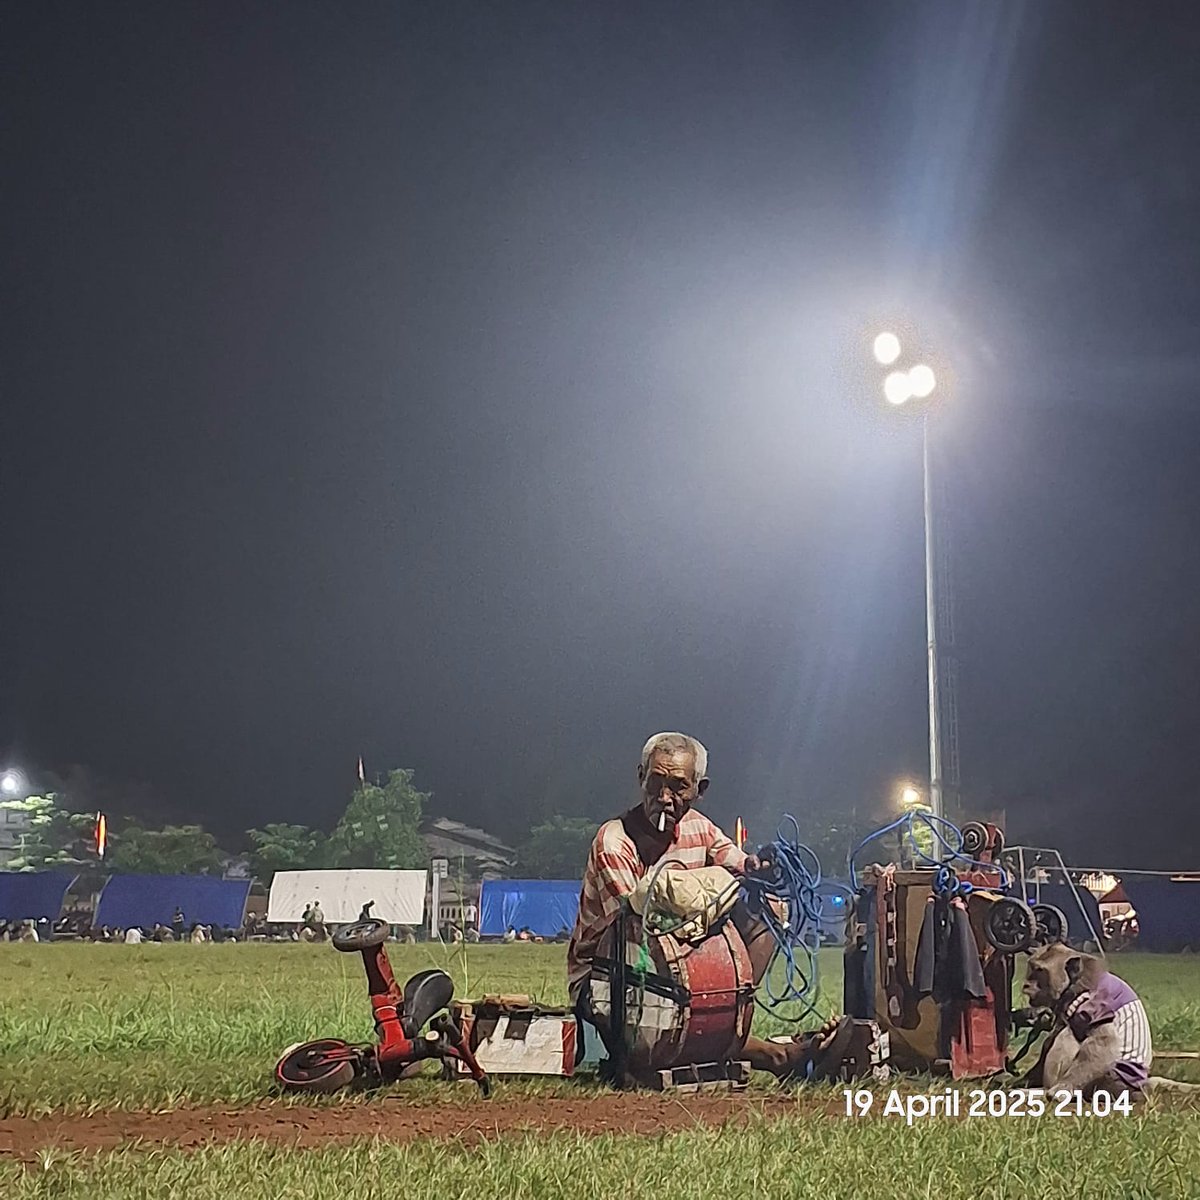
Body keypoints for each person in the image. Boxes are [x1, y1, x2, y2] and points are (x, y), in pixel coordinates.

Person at [567, 731, 849, 1080]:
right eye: (655, 782)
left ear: (699, 790)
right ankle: (778, 1054)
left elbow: (740, 863)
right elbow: (637, 928)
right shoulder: (614, 840)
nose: (665, 798)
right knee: (646, 940)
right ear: (640, 776)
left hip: (676, 969)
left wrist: (761, 869)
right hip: (609, 979)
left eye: (678, 786)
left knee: (771, 910)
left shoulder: (698, 828)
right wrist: (711, 892)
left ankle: (733, 1020)